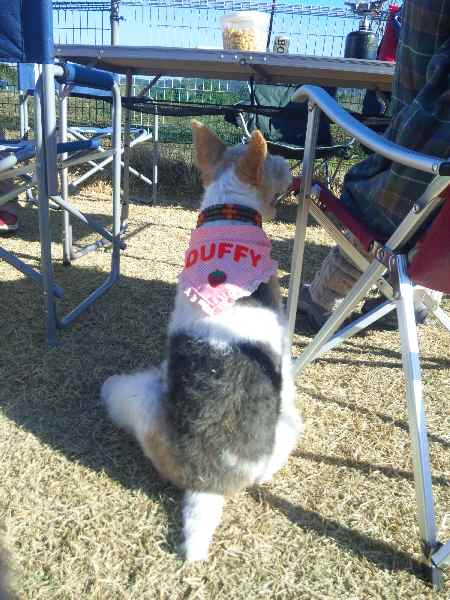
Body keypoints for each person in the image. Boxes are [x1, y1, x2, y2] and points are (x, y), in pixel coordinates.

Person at [299, 0, 450, 330]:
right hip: (442, 247)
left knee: (394, 193)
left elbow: (413, 103)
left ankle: (323, 298)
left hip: (411, 193)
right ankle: (417, 294)